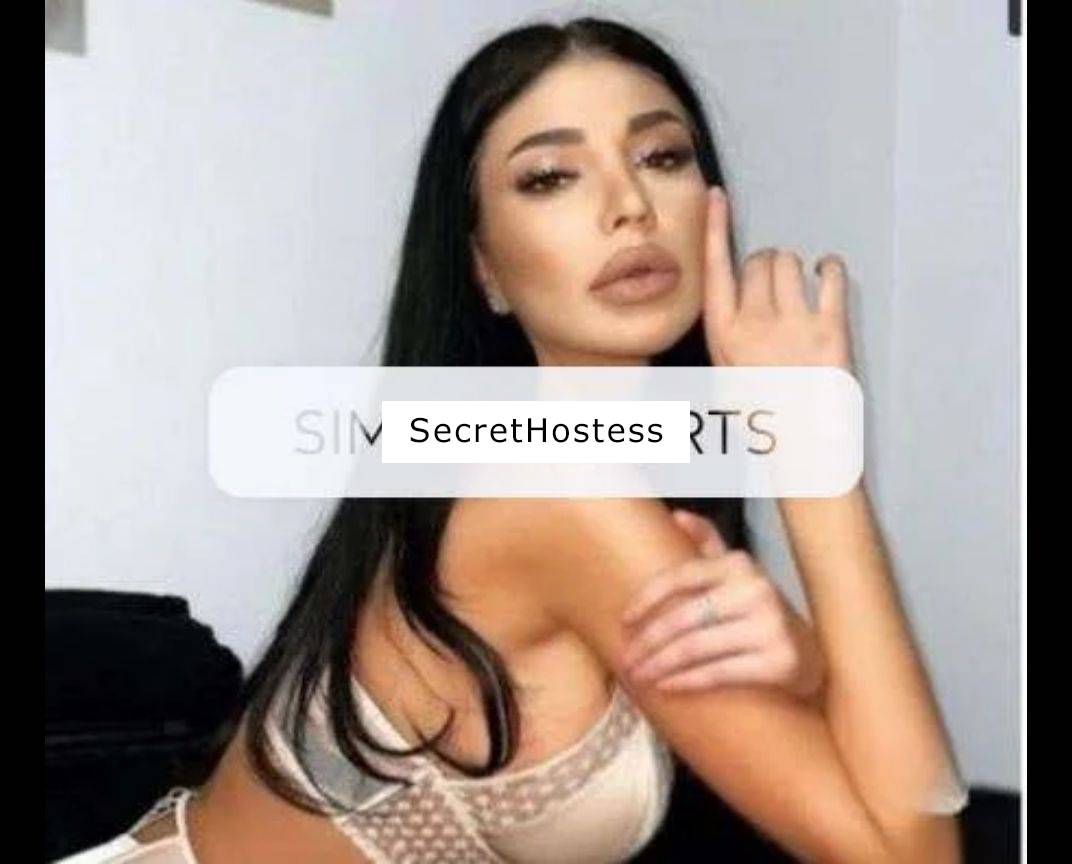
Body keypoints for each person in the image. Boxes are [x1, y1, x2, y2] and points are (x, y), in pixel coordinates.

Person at [57, 16, 966, 864]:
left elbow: (866, 776)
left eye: (661, 156)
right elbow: (908, 852)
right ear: (485, 267)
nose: (629, 205)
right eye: (550, 177)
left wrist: (806, 663)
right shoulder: (554, 488)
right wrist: (814, 449)